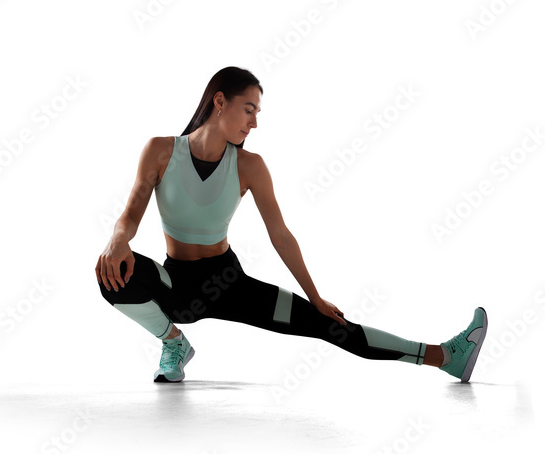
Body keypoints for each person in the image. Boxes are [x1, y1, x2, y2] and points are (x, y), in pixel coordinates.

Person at [96, 66, 487, 383]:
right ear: (220, 101)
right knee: (112, 271)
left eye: (257, 114)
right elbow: (131, 214)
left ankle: (446, 356)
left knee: (330, 326)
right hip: (176, 284)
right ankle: (173, 343)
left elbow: (280, 235)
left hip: (229, 284)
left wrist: (315, 297)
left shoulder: (250, 167)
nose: (254, 122)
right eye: (248, 109)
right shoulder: (161, 151)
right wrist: (117, 239)